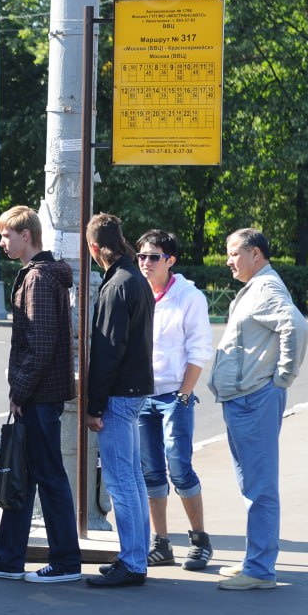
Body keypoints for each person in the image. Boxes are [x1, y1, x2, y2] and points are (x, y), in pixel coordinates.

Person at [0, 206, 81, 584]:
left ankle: (66, 561)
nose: (2, 242)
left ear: (26, 235)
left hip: (39, 396)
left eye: (6, 235)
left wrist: (18, 391)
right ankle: (9, 558)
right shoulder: (40, 275)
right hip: (41, 394)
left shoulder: (37, 279)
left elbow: (41, 343)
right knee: (27, 474)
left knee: (48, 478)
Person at [210, 228, 308, 590]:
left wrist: (283, 377)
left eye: (234, 253)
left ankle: (260, 570)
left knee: (260, 487)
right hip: (245, 399)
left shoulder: (266, 288)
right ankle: (255, 559)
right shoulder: (256, 287)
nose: (228, 260)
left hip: (255, 399)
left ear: (256, 254)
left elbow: (296, 326)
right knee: (252, 484)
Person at [134, 230, 215, 571]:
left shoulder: (189, 296)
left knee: (179, 467)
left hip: (174, 396)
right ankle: (161, 544)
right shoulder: (136, 292)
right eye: (141, 257)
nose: (145, 263)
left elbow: (199, 351)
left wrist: (183, 394)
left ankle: (199, 539)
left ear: (170, 260)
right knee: (151, 472)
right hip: (140, 398)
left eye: (153, 257)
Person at [83, 213, 154, 588]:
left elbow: (108, 352)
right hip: (136, 390)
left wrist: (94, 407)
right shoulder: (136, 280)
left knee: (120, 481)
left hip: (118, 395)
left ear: (95, 248)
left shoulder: (115, 287)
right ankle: (137, 555)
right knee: (133, 480)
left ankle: (131, 562)